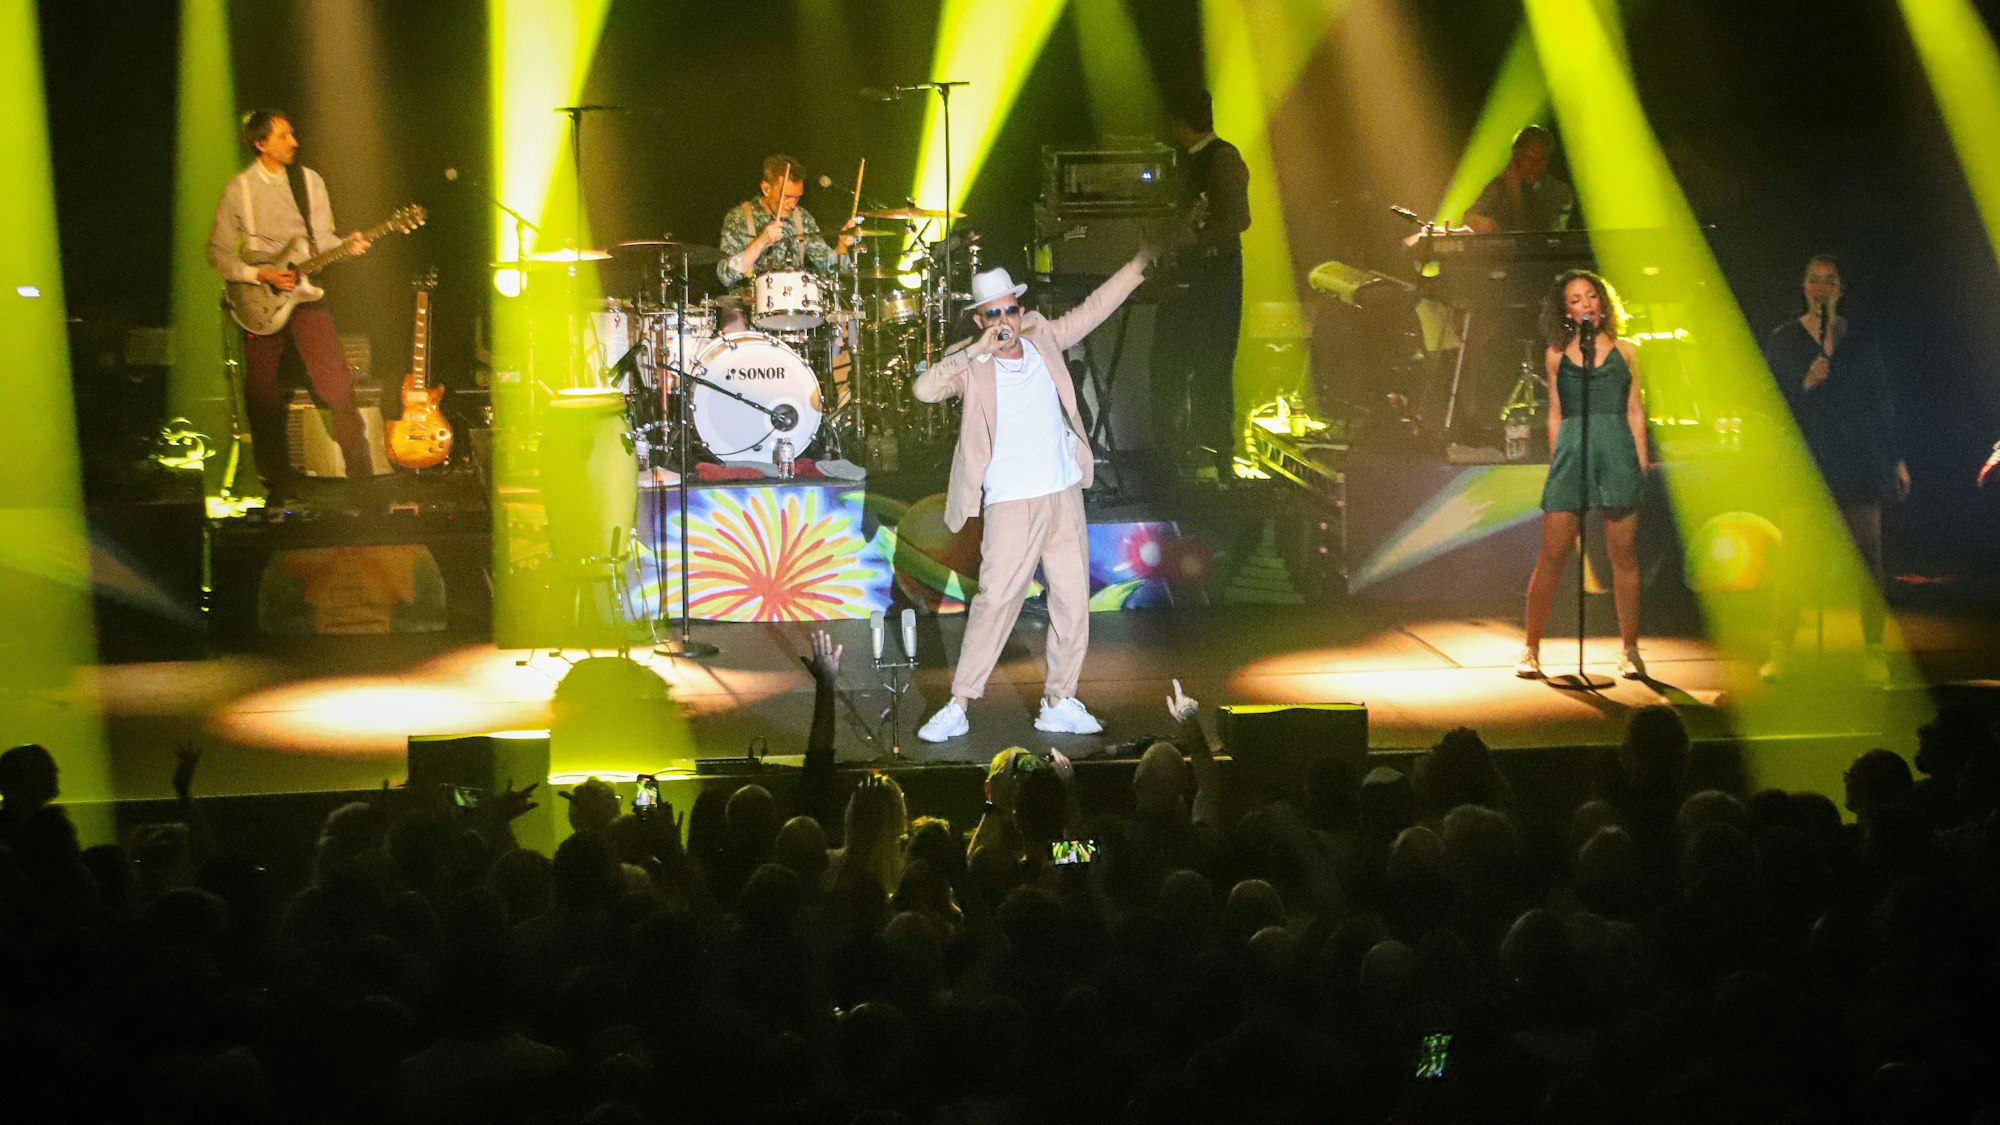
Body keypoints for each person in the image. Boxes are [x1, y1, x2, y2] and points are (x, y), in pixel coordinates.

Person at [913, 249, 1152, 742]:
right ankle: (958, 704)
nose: (1006, 321)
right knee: (994, 601)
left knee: (1071, 604)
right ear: (980, 319)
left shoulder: (1043, 337)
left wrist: (1137, 265)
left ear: (1021, 312)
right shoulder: (971, 363)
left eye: (1011, 310)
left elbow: (1094, 308)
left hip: (1062, 492)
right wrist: (976, 349)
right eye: (994, 313)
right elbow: (924, 389)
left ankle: (1059, 700)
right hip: (1011, 502)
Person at [206, 109, 377, 501]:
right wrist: (258, 276)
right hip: (258, 300)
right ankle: (275, 481)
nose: (294, 142)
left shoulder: (309, 182)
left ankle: (363, 481)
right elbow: (216, 252)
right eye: (283, 136)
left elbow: (324, 241)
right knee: (261, 391)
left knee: (335, 382)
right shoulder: (240, 189)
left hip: (306, 293)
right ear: (260, 142)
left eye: (292, 133)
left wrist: (350, 247)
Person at [1757, 254, 1908, 685]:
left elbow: (1882, 401)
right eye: (1813, 280)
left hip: (1859, 457)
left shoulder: (1860, 338)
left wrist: (1895, 457)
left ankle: (1873, 650)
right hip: (1805, 460)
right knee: (1796, 559)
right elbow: (1773, 403)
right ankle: (1782, 649)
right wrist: (1807, 382)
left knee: (1868, 554)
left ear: (1841, 289)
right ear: (1804, 288)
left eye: (1830, 280)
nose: (1821, 287)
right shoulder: (1784, 340)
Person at [1517, 270, 1650, 680]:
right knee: (1552, 555)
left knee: (1623, 557)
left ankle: (1630, 650)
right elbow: (1555, 413)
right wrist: (1561, 461)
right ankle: (1531, 649)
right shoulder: (1556, 353)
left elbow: (1634, 410)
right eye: (1575, 299)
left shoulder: (1627, 350)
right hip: (1573, 451)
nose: (1585, 304)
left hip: (1616, 450)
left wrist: (1640, 461)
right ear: (1565, 310)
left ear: (1603, 301)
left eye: (1591, 296)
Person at [1152, 90, 1252, 478]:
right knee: (1174, 366)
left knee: (1210, 368)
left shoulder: (1222, 158)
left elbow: (1239, 219)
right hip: (1192, 278)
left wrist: (1194, 237)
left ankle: (1217, 456)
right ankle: (1186, 453)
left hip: (1215, 281)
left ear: (1181, 123)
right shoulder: (1193, 160)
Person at [716, 154, 859, 289]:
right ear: (766, 188)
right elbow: (725, 275)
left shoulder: (802, 218)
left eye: (797, 198)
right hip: (749, 308)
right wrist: (760, 243)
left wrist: (842, 246)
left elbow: (830, 269)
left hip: (794, 303)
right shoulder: (739, 218)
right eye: (786, 196)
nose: (792, 204)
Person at [1464, 125, 1575, 234]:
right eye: (1527, 158)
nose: (1533, 165)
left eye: (1539, 159)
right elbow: (1471, 215)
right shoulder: (1499, 185)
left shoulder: (1558, 192)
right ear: (1515, 156)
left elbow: (1534, 238)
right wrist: (1472, 225)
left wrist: (1514, 193)